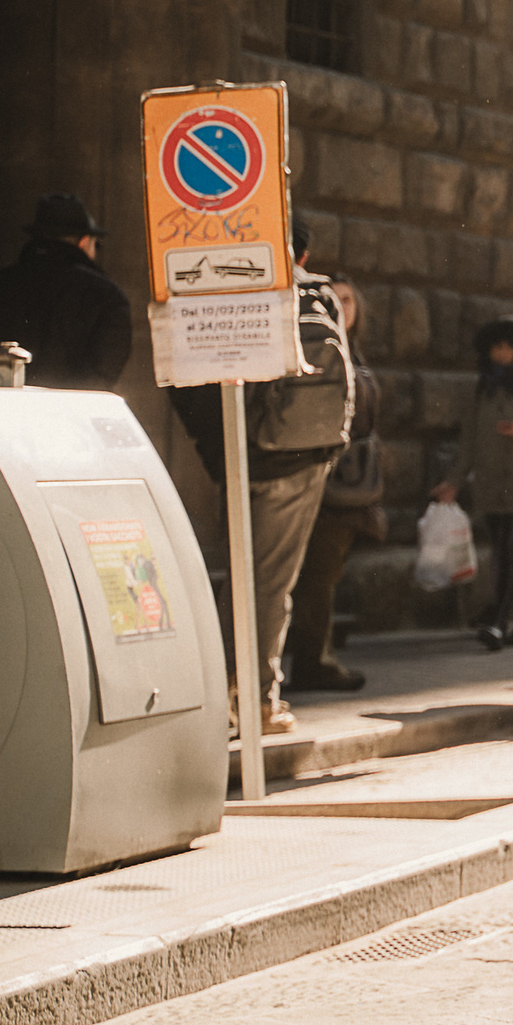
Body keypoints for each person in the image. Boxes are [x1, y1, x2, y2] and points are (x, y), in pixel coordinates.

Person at [169, 220, 355, 735]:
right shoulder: (318, 295)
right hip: (299, 459)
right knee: (270, 584)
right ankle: (253, 701)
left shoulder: (220, 291)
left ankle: (237, 693)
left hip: (245, 452)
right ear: (303, 251)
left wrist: (217, 452)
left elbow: (184, 380)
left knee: (243, 578)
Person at [285, 279, 385, 691]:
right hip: (327, 482)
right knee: (317, 578)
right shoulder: (322, 347)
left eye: (348, 298)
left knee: (325, 574)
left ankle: (316, 658)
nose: (341, 306)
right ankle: (314, 661)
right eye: (334, 299)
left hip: (350, 482)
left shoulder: (353, 349)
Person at [434, 316, 513, 651]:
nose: (502, 353)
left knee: (512, 550)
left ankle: (498, 621)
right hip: (491, 483)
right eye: (496, 347)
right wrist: (453, 481)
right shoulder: (482, 387)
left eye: (508, 346)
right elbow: (468, 440)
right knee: (504, 552)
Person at [0, 192, 131, 390]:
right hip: (70, 416)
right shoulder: (107, 295)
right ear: (84, 242)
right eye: (97, 244)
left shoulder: (2, 283)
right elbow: (103, 374)